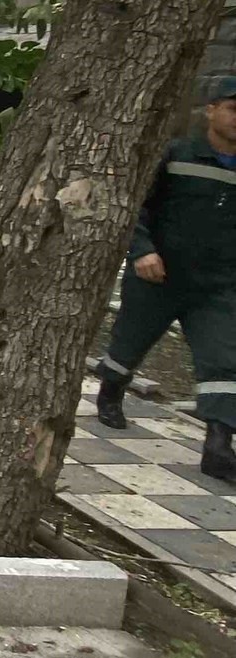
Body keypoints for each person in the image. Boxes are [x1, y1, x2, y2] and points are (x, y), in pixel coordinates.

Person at [95, 76, 236, 482]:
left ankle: (218, 445)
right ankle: (111, 391)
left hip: (219, 285)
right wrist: (141, 250)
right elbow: (136, 206)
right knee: (128, 344)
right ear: (210, 110)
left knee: (225, 359)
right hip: (159, 275)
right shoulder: (177, 154)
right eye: (233, 108)